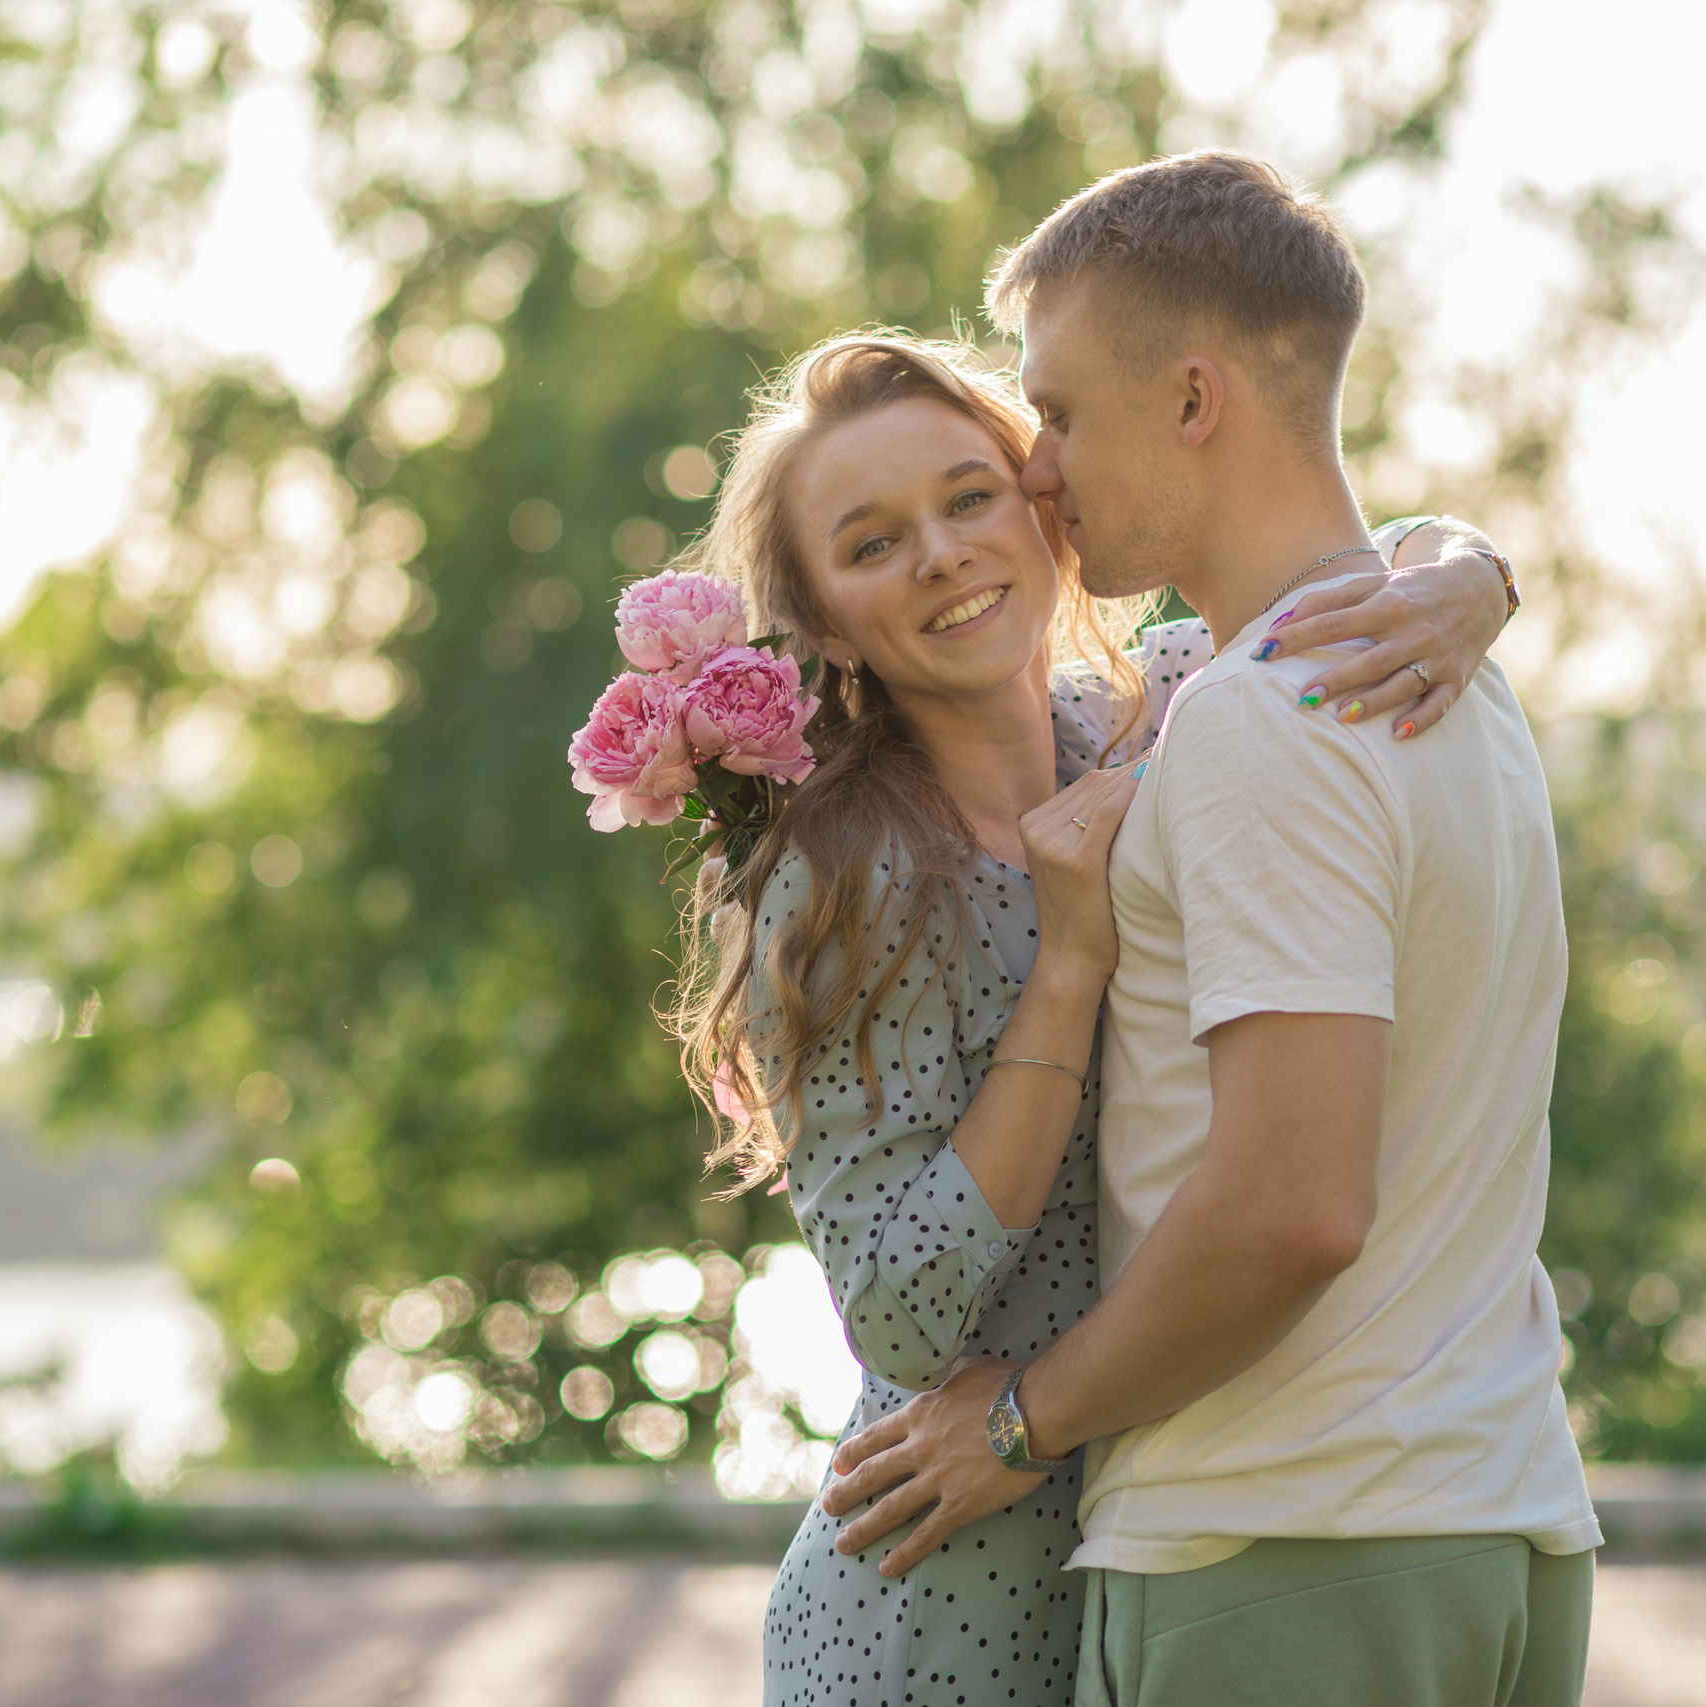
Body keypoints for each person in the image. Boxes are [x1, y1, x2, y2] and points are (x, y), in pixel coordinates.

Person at [813, 153, 1600, 1707]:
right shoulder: (1458, 686)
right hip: (1495, 1531)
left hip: (1285, 1556)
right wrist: (1469, 562)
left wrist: (1018, 1422)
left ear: (1193, 400)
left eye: (1060, 414)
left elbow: (1293, 1202)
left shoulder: (1262, 722)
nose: (1038, 467)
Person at [662, 320, 1517, 1706]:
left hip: (1166, 1553)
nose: (941, 553)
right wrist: (1066, 964)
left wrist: (1472, 577)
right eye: (874, 543)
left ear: (1044, 506)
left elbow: (1341, 553)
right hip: (936, 1615)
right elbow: (900, 1314)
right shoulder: (832, 881)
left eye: (969, 495)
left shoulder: (1152, 709)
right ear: (823, 623)